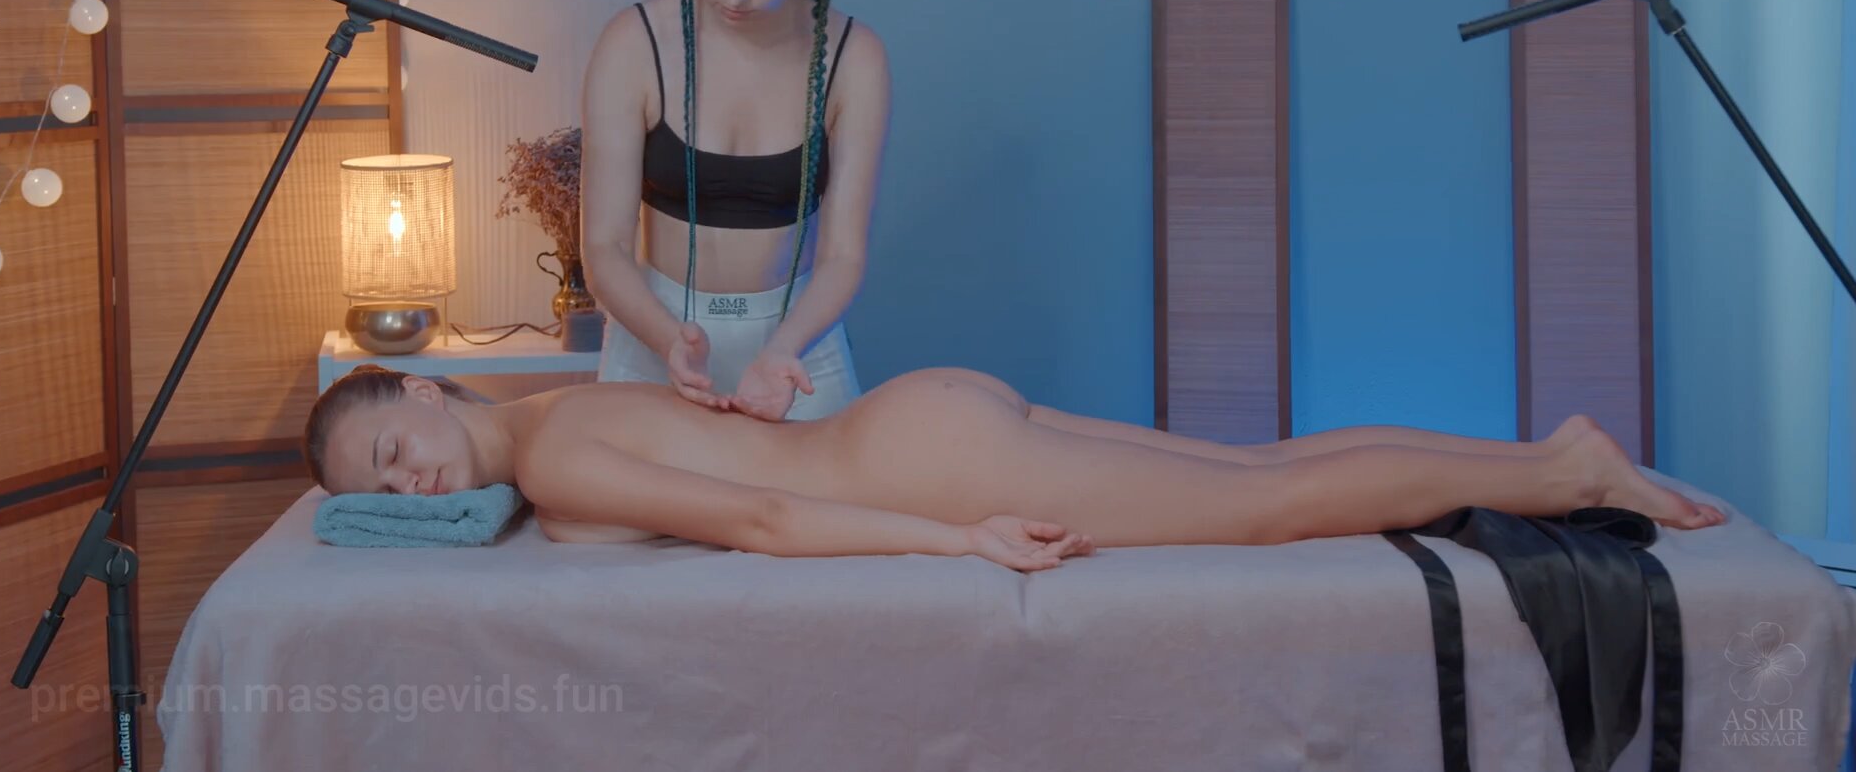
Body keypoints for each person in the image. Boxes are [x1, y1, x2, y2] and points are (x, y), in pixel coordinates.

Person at [303, 364, 1728, 573]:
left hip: (925, 461)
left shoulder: (555, 459)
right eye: (382, 491)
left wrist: (958, 539)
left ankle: (1563, 479)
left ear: (424, 389)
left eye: (392, 449)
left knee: (1267, 511)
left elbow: (762, 516)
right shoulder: (560, 401)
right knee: (1262, 467)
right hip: (926, 411)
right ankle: (1550, 454)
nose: (407, 484)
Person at [579, 0, 888, 423]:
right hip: (653, 334)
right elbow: (605, 247)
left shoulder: (855, 57)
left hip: (796, 346)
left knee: (823, 486)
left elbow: (844, 255)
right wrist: (668, 340)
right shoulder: (632, 44)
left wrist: (783, 349)